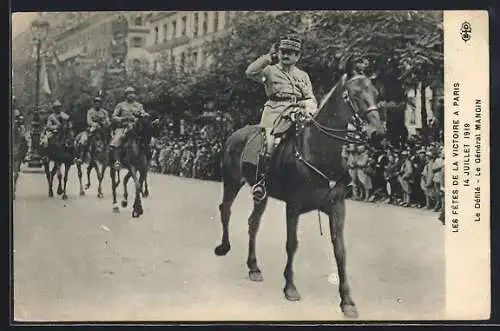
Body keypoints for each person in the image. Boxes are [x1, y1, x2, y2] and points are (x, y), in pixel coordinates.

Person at [245, 35, 318, 201]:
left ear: (297, 56)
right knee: (270, 142)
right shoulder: (270, 71)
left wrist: (310, 108)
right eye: (283, 52)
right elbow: (250, 72)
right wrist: (268, 58)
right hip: (275, 112)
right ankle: (261, 182)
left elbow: (310, 97)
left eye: (291, 53)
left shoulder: (303, 75)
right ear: (278, 52)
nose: (286, 55)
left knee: (313, 139)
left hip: (298, 112)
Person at [109, 86, 149, 170]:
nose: (131, 95)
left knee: (146, 139)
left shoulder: (139, 105)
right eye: (129, 93)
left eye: (132, 93)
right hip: (123, 127)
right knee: (117, 140)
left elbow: (144, 113)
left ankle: (145, 159)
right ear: (126, 95)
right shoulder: (120, 105)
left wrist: (145, 115)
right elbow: (114, 117)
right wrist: (123, 119)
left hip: (136, 128)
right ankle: (117, 161)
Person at [76, 96, 111, 164]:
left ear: (101, 104)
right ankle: (81, 156)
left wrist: (105, 123)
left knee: (110, 137)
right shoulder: (90, 111)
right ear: (94, 103)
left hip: (102, 128)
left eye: (99, 103)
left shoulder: (104, 112)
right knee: (84, 139)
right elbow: (88, 121)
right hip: (92, 128)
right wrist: (95, 124)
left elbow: (108, 120)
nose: (97, 104)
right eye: (96, 102)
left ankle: (109, 156)